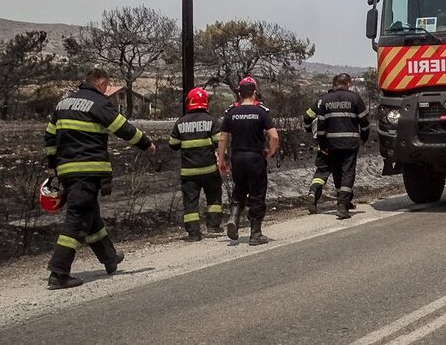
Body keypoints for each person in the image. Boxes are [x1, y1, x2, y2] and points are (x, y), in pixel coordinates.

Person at [43, 68, 156, 289]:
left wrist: (53, 165)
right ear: (101, 83)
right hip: (88, 169)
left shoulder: (63, 104)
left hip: (66, 170)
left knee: (91, 215)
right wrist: (146, 143)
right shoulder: (99, 104)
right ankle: (59, 272)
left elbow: (49, 136)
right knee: (77, 217)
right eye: (107, 86)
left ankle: (109, 258)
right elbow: (122, 128)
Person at [217, 77, 279, 245]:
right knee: (257, 194)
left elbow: (222, 139)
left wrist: (221, 161)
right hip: (255, 158)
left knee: (239, 190)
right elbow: (274, 136)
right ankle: (255, 234)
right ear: (254, 92)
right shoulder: (261, 111)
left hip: (237, 158)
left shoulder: (231, 112)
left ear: (239, 93)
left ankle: (234, 217)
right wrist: (270, 152)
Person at [168, 87, 223, 240]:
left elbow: (173, 144)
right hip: (209, 170)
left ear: (189, 102)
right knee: (214, 196)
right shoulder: (212, 121)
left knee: (190, 201)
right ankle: (213, 226)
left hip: (189, 172)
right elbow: (219, 143)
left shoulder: (180, 122)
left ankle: (194, 233)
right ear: (205, 102)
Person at [313, 73, 370, 219]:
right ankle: (343, 206)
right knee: (348, 173)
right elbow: (364, 122)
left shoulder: (325, 100)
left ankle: (343, 201)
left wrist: (322, 145)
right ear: (348, 83)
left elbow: (321, 127)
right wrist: (364, 137)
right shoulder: (355, 98)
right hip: (350, 143)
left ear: (335, 84)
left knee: (337, 173)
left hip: (332, 144)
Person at [301, 101, 333, 214]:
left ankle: (313, 192)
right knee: (343, 172)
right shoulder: (347, 99)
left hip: (322, 141)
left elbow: (307, 115)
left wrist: (308, 128)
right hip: (340, 142)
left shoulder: (321, 101)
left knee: (321, 172)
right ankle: (345, 202)